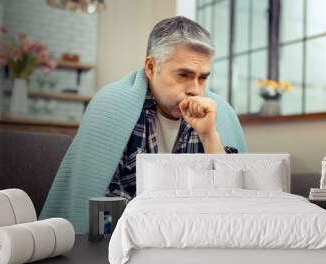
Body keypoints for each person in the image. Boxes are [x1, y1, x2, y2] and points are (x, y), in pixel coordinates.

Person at [40, 16, 247, 233]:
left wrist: (209, 135)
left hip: (200, 241)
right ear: (150, 67)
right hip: (125, 246)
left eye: (203, 78)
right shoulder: (111, 106)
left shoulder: (220, 113)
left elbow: (234, 208)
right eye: (183, 75)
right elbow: (103, 214)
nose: (195, 89)